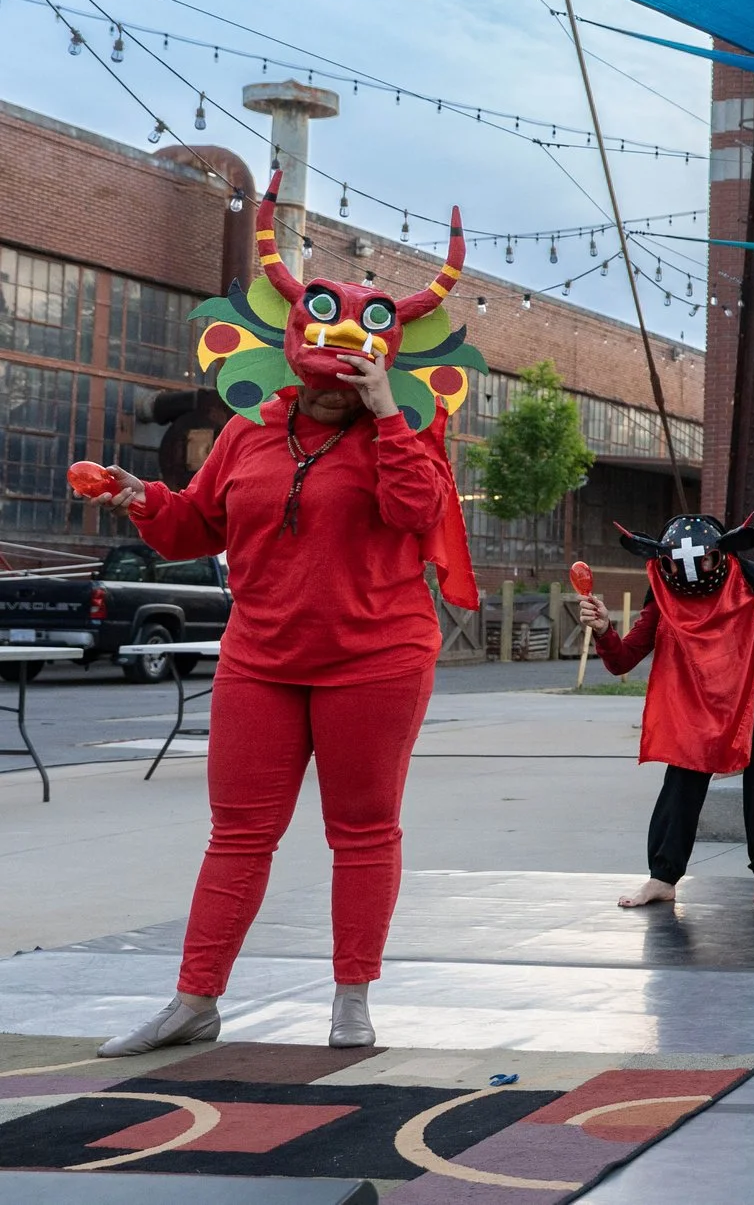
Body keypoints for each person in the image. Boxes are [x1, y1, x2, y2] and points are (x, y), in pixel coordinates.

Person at [87, 176, 477, 1055]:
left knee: (363, 831)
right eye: (330, 371)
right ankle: (194, 999)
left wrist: (384, 417)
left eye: (361, 371)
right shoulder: (246, 433)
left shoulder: (404, 435)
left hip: (375, 659)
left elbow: (418, 514)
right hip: (261, 656)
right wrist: (140, 494)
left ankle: (351, 998)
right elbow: (197, 522)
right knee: (238, 833)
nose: (339, 383)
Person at [588, 514, 754, 908]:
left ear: (719, 557)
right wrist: (605, 630)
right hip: (712, 687)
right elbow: (623, 661)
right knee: (687, 767)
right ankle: (663, 876)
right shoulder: (662, 592)